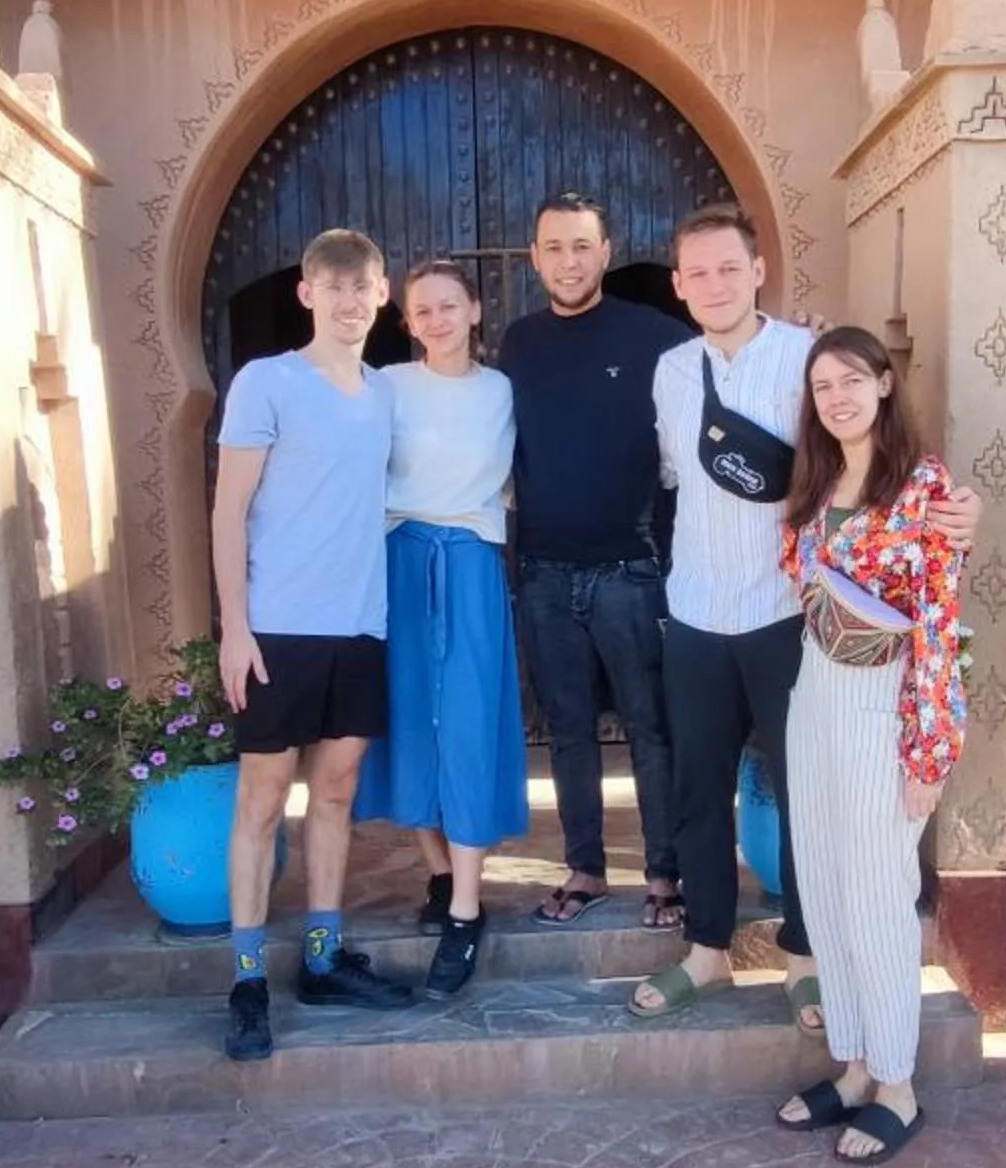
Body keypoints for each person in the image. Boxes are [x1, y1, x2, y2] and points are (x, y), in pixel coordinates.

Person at [628, 205, 978, 1023]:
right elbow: (676, 476)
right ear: (679, 286)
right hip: (695, 613)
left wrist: (961, 507)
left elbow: (871, 458)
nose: (714, 284)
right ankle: (706, 950)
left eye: (729, 268)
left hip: (790, 615)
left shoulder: (805, 360)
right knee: (697, 786)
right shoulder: (672, 371)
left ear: (758, 272)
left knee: (802, 789)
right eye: (697, 273)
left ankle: (804, 954)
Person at [212, 225, 413, 1062]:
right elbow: (227, 509)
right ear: (306, 294)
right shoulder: (268, 381)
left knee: (334, 795)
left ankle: (324, 960)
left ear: (381, 293)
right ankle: (248, 978)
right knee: (261, 804)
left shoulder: (385, 393)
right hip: (278, 632)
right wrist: (234, 627)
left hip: (360, 627)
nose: (345, 299)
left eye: (359, 285)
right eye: (330, 285)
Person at [777, 327, 968, 1168]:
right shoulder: (818, 481)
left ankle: (899, 1082)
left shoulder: (923, 489)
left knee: (879, 891)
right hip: (814, 696)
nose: (839, 397)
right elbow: (799, 572)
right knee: (823, 882)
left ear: (885, 384)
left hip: (883, 706)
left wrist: (926, 755)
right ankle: (854, 1066)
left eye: (853, 380)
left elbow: (937, 626)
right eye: (823, 387)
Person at [500, 194, 687, 931]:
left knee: (649, 729)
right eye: (554, 247)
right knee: (568, 732)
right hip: (544, 574)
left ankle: (665, 875)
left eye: (582, 246)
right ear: (534, 257)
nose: (568, 261)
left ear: (607, 251)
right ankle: (584, 870)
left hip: (629, 574)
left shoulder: (659, 339)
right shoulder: (516, 343)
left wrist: (803, 341)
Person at [356, 258, 529, 998]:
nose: (436, 319)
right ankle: (438, 871)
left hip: (470, 562)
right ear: (408, 320)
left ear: (476, 309)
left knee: (465, 721)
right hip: (398, 558)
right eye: (421, 310)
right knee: (407, 723)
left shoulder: (505, 391)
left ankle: (464, 911)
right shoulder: (385, 385)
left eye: (449, 305)